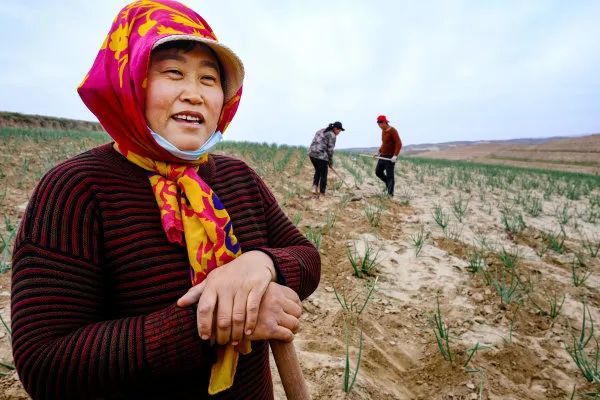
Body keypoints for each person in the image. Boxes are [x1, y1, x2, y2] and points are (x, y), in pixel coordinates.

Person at [10, 1, 320, 399]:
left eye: (209, 79)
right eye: (174, 73)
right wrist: (217, 320)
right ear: (130, 83)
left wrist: (260, 265)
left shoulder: (237, 177)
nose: (194, 94)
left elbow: (306, 257)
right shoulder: (76, 190)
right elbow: (47, 366)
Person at [307, 121, 344, 195]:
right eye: (339, 131)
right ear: (335, 128)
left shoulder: (321, 130)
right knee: (324, 174)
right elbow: (330, 150)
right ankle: (322, 193)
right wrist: (330, 162)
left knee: (318, 170)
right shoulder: (332, 135)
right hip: (321, 156)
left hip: (311, 154)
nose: (339, 133)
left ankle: (314, 187)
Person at [374, 115, 402, 196]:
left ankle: (390, 194)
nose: (379, 127)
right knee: (378, 172)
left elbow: (399, 143)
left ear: (384, 122)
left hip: (390, 157)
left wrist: (395, 155)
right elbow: (384, 144)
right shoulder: (383, 131)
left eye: (380, 125)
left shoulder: (393, 131)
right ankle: (388, 184)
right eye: (378, 125)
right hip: (382, 155)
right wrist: (378, 152)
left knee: (390, 176)